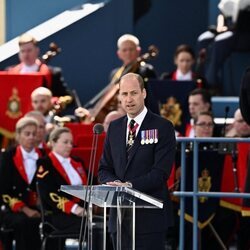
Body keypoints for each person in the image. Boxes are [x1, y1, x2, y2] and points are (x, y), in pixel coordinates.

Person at [98, 73, 176, 250]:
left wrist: (128, 186)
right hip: (119, 219)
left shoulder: (162, 126)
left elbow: (160, 173)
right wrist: (113, 183)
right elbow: (104, 168)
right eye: (124, 94)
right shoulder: (114, 128)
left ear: (144, 93)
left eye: (133, 93)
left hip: (149, 220)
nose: (129, 99)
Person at [36, 127, 88, 249]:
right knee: (94, 226)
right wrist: (75, 209)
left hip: (85, 211)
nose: (69, 146)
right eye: (65, 142)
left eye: (71, 143)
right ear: (53, 142)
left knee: (106, 224)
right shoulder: (45, 163)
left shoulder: (77, 161)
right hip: (58, 214)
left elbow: (91, 184)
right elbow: (48, 193)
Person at [0, 117, 44, 250]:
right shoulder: (7, 156)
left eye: (34, 134)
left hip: (39, 207)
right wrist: (24, 209)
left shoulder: (44, 156)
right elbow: (3, 190)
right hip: (13, 208)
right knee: (25, 222)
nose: (31, 137)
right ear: (18, 135)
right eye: (27, 134)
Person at [197, 0, 250, 89]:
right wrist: (220, 28)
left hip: (244, 34)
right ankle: (200, 79)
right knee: (203, 39)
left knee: (220, 41)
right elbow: (222, 18)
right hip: (229, 29)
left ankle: (211, 83)